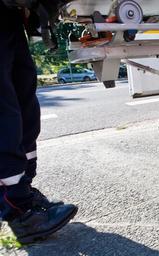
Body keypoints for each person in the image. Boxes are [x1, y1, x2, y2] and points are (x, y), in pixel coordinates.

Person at [0, 0, 78, 244]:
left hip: (10, 13)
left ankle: (24, 190)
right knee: (4, 108)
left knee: (25, 105)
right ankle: (18, 208)